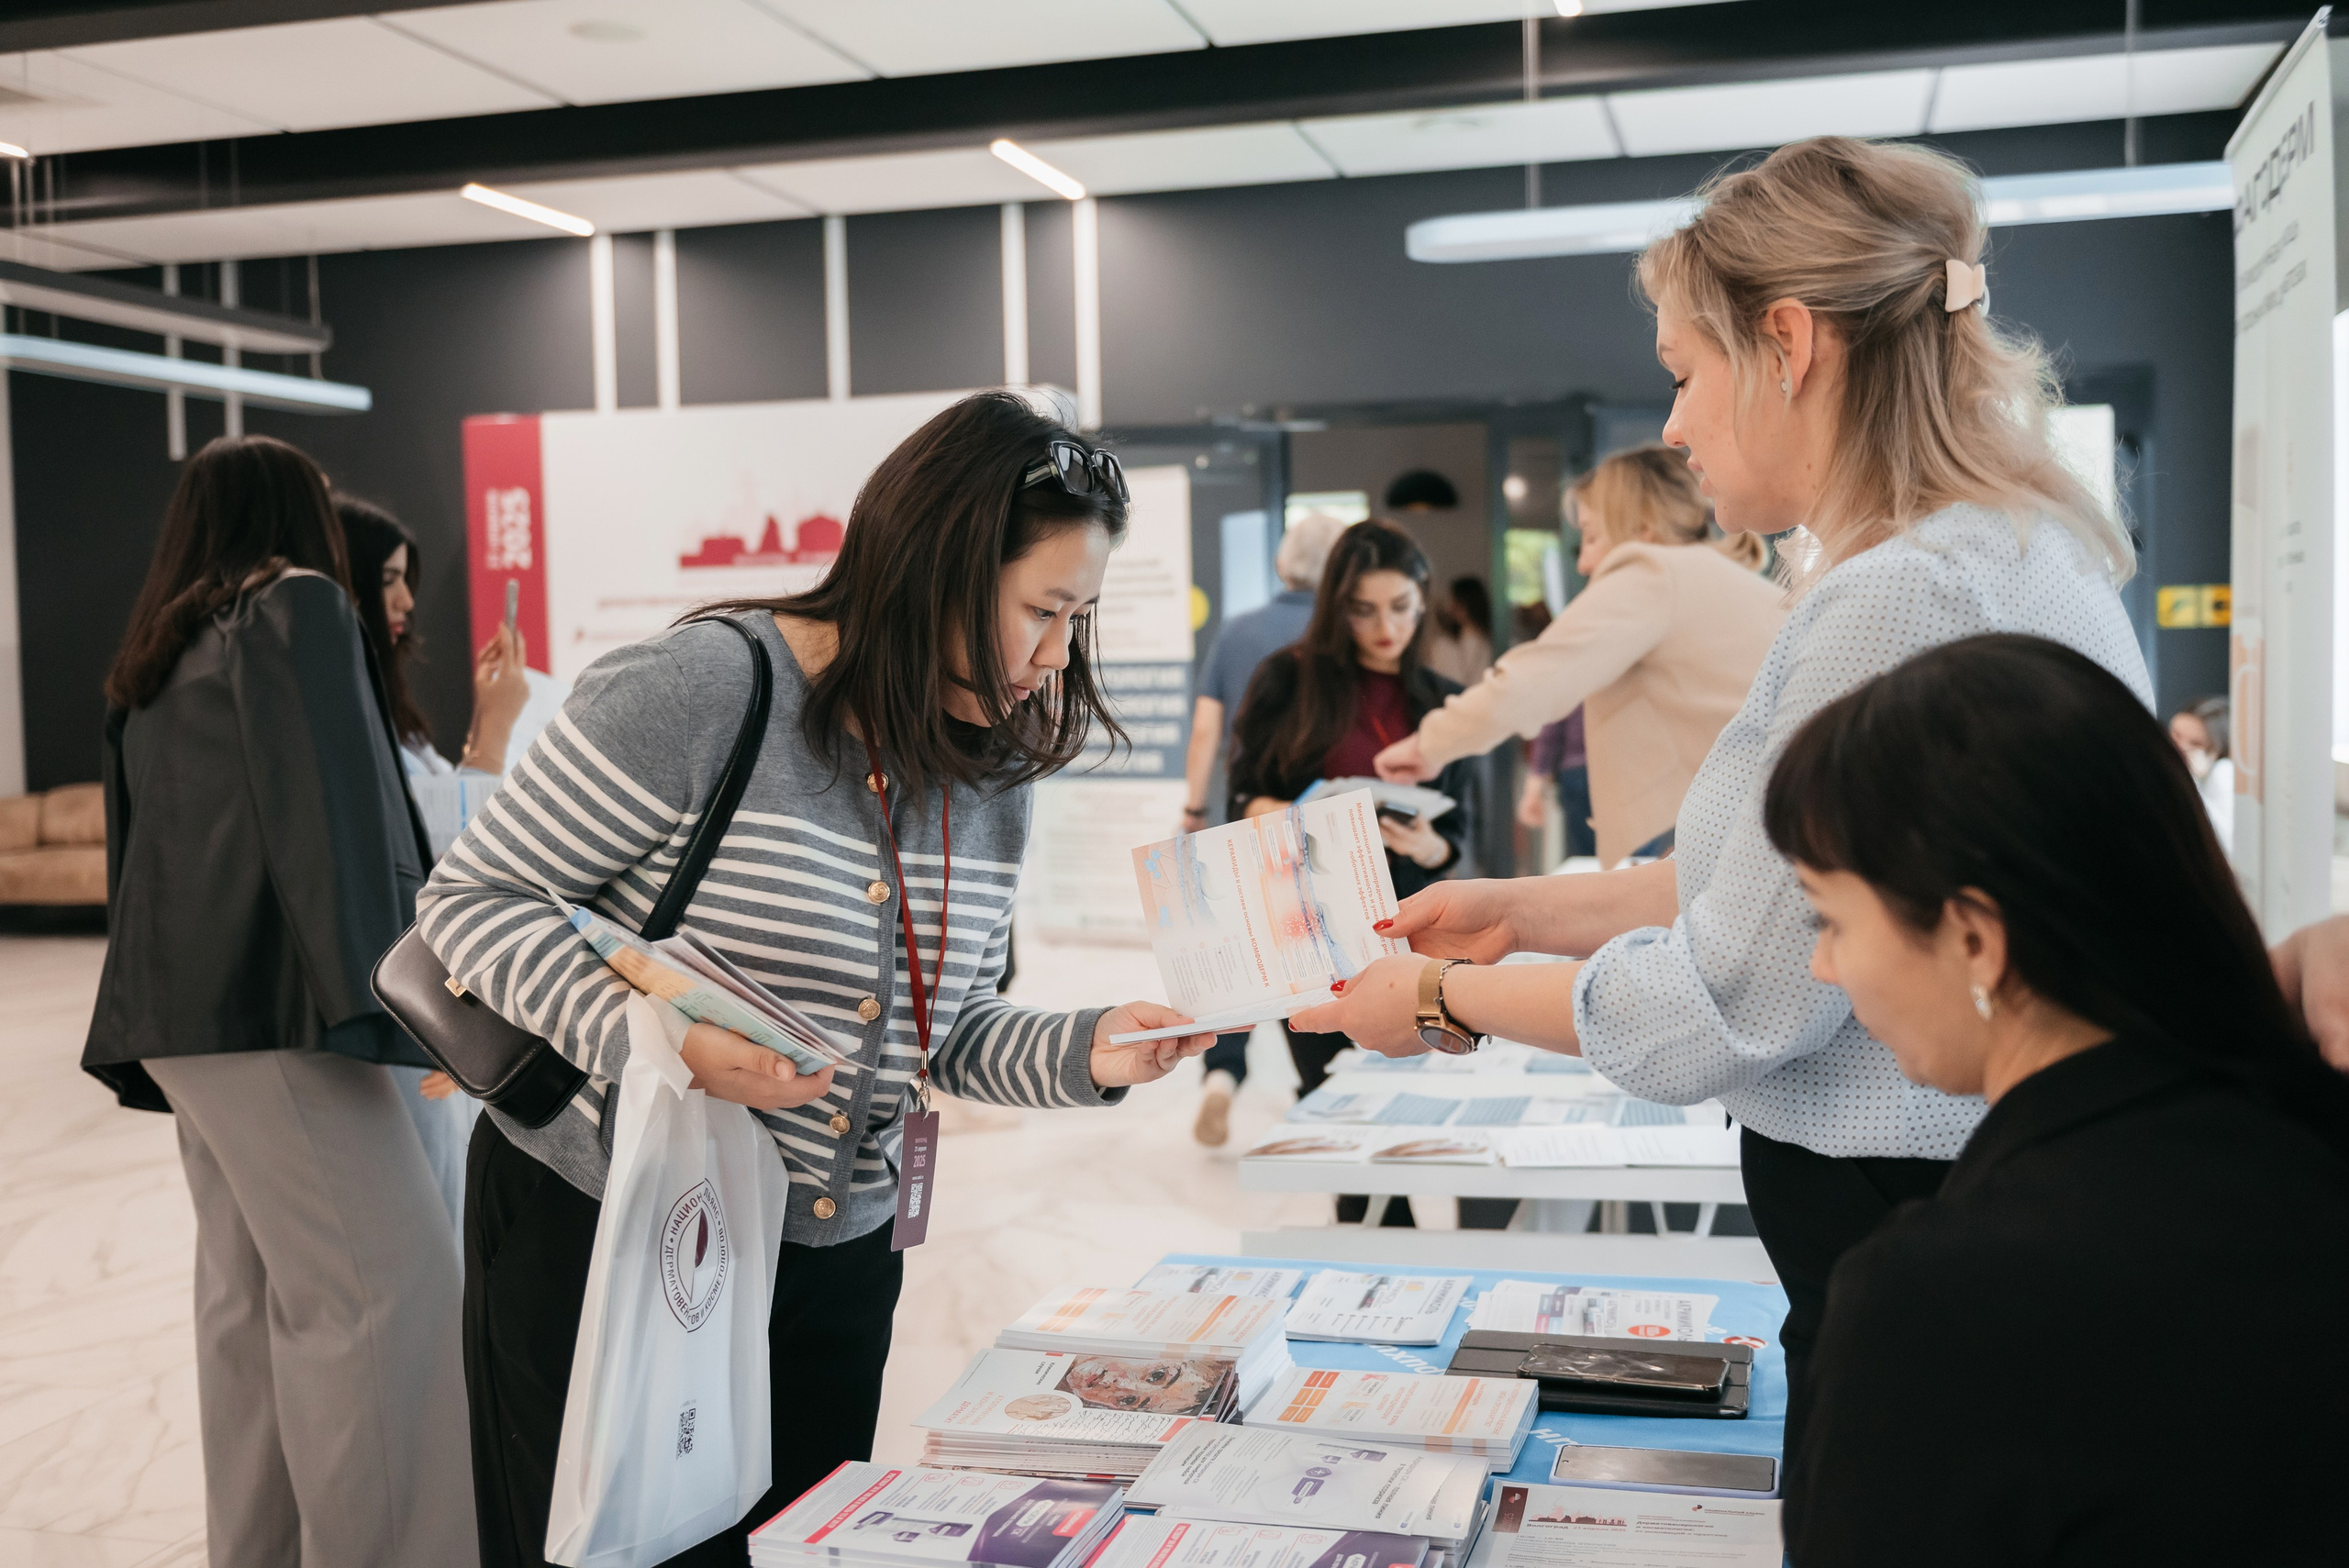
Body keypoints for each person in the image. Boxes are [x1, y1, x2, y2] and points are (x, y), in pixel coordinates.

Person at [1292, 136, 2146, 1463]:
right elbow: (1777, 881)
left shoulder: (1894, 599)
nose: (1676, 426)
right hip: (1998, 1214)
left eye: (1686, 375)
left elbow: (1717, 1013)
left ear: (1790, 344)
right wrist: (1526, 909)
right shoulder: (1998, 546)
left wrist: (1438, 1001)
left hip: (1921, 1227)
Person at [417, 393, 1215, 1568]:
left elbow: (943, 1027)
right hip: (618, 1226)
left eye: (1077, 618)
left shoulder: (988, 764)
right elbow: (468, 905)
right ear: (936, 567)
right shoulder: (701, 692)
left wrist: (1095, 1047)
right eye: (1041, 611)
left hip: (834, 1260)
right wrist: (663, 1041)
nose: (1055, 658)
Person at [1761, 634, 2349, 1565]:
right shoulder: (2309, 1140)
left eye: (1830, 918)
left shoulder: (1933, 1305)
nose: (1820, 963)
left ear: (1972, 939)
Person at [80, 435, 475, 1566]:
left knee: (249, 1305)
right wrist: (412, 1005)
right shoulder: (296, 602)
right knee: (385, 1291)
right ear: (297, 514)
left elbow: (133, 851)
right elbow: (333, 824)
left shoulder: (159, 647)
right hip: (275, 1012)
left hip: (178, 1024)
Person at [1229, 518, 1477, 1223]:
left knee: (1400, 1114)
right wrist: (1305, 811)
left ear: (1423, 600)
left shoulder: (1439, 699)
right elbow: (1243, 799)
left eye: (1400, 607)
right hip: (1309, 925)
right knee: (1339, 1112)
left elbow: (1458, 839)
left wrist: (1428, 842)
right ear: (1337, 605)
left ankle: (1391, 1274)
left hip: (1411, 926)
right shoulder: (1288, 678)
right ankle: (1377, 1270)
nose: (1384, 626)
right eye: (1363, 610)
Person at [1376, 444, 1781, 867]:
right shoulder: (1741, 585)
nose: (1586, 562)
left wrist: (1428, 745)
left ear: (1641, 526)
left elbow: (1532, 682)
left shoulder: (1653, 573)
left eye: (1590, 536)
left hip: (1699, 827)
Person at [340, 494, 530, 1241]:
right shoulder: (347, 712)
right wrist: (496, 732)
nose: (407, 599)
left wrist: (488, 721)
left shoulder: (386, 708)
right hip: (400, 1006)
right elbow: (440, 855)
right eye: (387, 578)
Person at [1182, 509, 1347, 1146]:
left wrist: (1195, 808)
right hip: (1323, 825)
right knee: (1317, 958)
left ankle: (1222, 1075)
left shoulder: (1239, 630)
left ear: (1284, 563)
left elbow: (1206, 730)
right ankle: (1324, 1085)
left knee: (1242, 958)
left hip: (1247, 816)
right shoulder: (1341, 637)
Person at [2167, 695, 2233, 855]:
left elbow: (2226, 845)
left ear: (2215, 752)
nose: (2180, 747)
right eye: (2176, 735)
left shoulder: (2222, 773)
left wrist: (2188, 778)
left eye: (2195, 744)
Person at [1423, 575, 1494, 685]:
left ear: (1463, 606)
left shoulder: (1492, 643)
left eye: (1453, 601)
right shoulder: (1444, 644)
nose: (1449, 607)